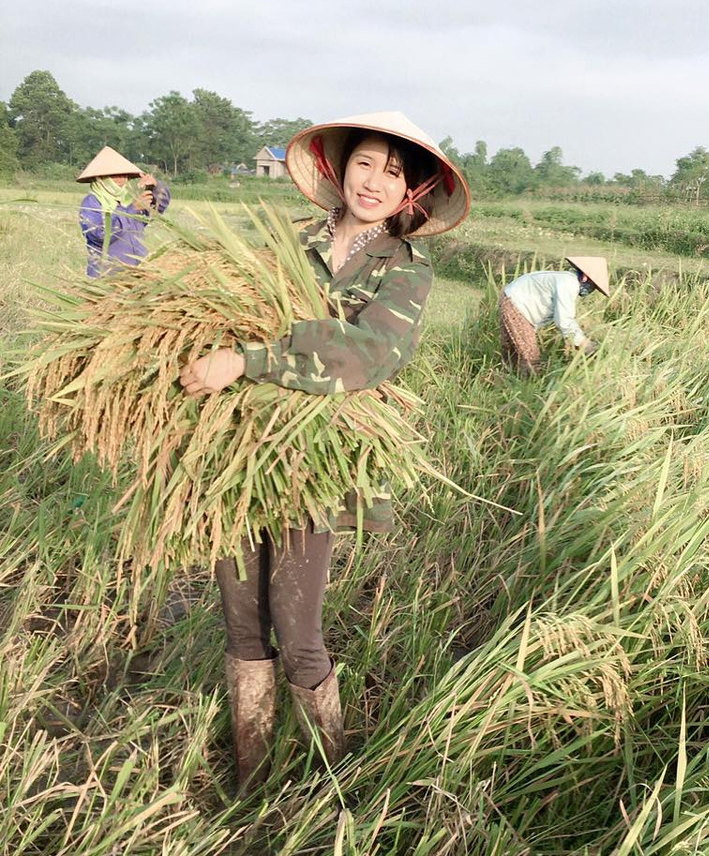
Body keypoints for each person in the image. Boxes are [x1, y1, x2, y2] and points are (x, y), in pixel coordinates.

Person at [177, 112, 470, 793]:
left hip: (315, 467)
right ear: (341, 169)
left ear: (412, 193)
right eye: (365, 163)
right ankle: (253, 776)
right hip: (239, 453)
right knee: (241, 622)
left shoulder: (405, 270)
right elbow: (227, 312)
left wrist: (250, 360)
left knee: (296, 628)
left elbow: (366, 356)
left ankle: (326, 783)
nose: (374, 182)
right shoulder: (287, 242)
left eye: (393, 173)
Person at [499, 256, 610, 375]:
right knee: (531, 356)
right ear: (585, 277)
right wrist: (583, 343)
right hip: (516, 304)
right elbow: (564, 320)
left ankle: (506, 378)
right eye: (592, 285)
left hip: (512, 300)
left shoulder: (566, 279)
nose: (591, 290)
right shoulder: (569, 283)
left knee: (514, 353)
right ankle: (530, 382)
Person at [76, 145, 170, 277]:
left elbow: (155, 210)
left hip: (137, 272)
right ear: (101, 177)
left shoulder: (129, 198)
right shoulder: (92, 202)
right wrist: (131, 210)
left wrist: (155, 187)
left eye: (123, 174)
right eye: (114, 175)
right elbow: (100, 235)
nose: (120, 179)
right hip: (107, 275)